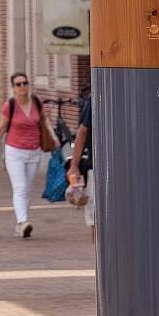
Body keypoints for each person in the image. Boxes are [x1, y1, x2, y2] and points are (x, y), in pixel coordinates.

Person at [0, 72, 58, 238]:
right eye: (18, 84)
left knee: (28, 189)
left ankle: (22, 223)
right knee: (20, 187)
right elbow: (0, 129)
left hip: (34, 151)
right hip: (14, 152)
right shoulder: (9, 106)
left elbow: (43, 120)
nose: (22, 87)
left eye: (25, 83)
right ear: (13, 88)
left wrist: (53, 136)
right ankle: (23, 221)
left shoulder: (36, 102)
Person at [67, 90, 96, 242]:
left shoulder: (97, 95)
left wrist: (74, 165)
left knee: (94, 219)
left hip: (97, 168)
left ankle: (101, 262)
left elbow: (82, 132)